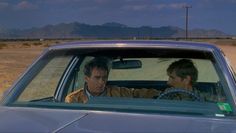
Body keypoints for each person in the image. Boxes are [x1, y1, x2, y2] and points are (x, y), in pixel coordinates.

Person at [65, 57, 160, 103]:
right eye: (97, 78)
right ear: (86, 78)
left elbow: (139, 93)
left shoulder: (119, 92)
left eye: (104, 78)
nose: (102, 82)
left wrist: (166, 94)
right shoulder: (73, 99)